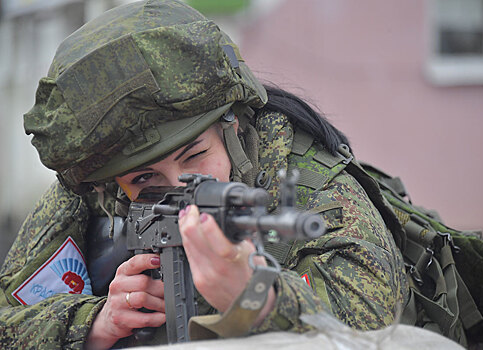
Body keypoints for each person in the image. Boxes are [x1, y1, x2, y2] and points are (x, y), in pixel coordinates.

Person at [0, 0, 408, 348]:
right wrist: (94, 322)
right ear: (111, 184)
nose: (179, 184)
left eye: (194, 155)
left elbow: (369, 331)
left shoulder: (321, 193)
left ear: (231, 125)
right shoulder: (94, 195)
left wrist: (256, 298)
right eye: (144, 179)